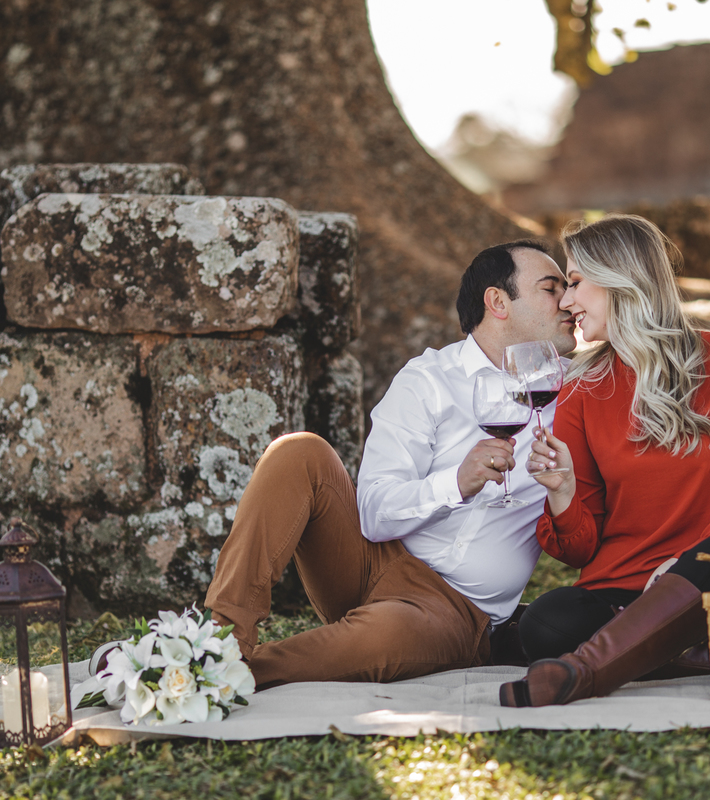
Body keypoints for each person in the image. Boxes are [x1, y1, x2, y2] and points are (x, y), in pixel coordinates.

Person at [197, 239, 577, 689]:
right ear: (497, 301)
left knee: (387, 638)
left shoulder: (575, 394)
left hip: (455, 609)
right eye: (552, 288)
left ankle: (200, 671)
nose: (569, 302)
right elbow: (374, 514)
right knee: (298, 452)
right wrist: (454, 483)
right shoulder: (428, 380)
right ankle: (221, 638)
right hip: (370, 562)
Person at [498, 214, 710, 708]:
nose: (566, 302)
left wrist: (681, 564)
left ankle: (581, 673)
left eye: (577, 283)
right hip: (618, 591)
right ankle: (687, 651)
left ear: (621, 279)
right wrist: (562, 493)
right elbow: (580, 551)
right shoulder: (582, 388)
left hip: (706, 576)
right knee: (546, 623)